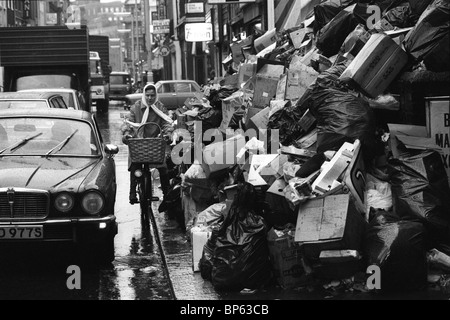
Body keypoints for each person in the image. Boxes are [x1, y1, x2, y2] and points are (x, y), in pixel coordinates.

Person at [121, 83, 174, 205]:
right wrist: (127, 134)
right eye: (148, 95)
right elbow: (128, 123)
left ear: (156, 95)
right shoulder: (136, 107)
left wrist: (168, 133)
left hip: (154, 143)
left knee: (163, 168)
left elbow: (166, 122)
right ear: (144, 95)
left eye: (152, 95)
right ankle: (132, 192)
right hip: (138, 143)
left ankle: (167, 195)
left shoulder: (160, 107)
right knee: (135, 166)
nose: (150, 98)